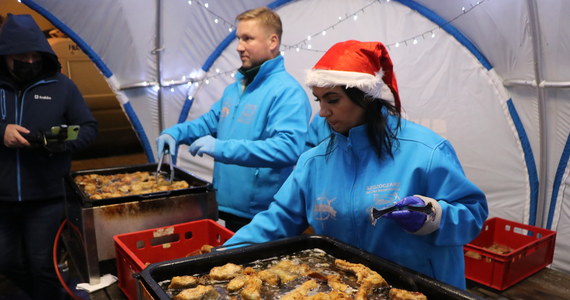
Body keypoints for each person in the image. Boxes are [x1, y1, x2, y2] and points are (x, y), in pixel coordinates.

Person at [225, 40, 488, 289]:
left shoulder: (426, 151)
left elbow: (473, 214)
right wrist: (219, 257)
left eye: (333, 99)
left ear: (365, 98)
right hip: (351, 290)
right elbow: (278, 219)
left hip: (419, 288)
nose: (323, 112)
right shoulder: (315, 162)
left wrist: (434, 216)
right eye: (319, 100)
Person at [156, 7, 311, 232]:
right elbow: (208, 123)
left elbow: (287, 148)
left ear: (272, 41)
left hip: (266, 214)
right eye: (239, 39)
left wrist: (222, 148)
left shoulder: (287, 92)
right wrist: (175, 133)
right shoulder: (234, 89)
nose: (239, 47)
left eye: (248, 39)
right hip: (229, 206)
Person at [0, 14, 97, 300]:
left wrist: (54, 140)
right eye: (20, 55)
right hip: (1, 200)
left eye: (35, 55)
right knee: (7, 261)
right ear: (5, 54)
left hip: (47, 197)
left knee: (43, 264)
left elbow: (88, 129)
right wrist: (1, 132)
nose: (29, 62)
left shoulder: (62, 87)